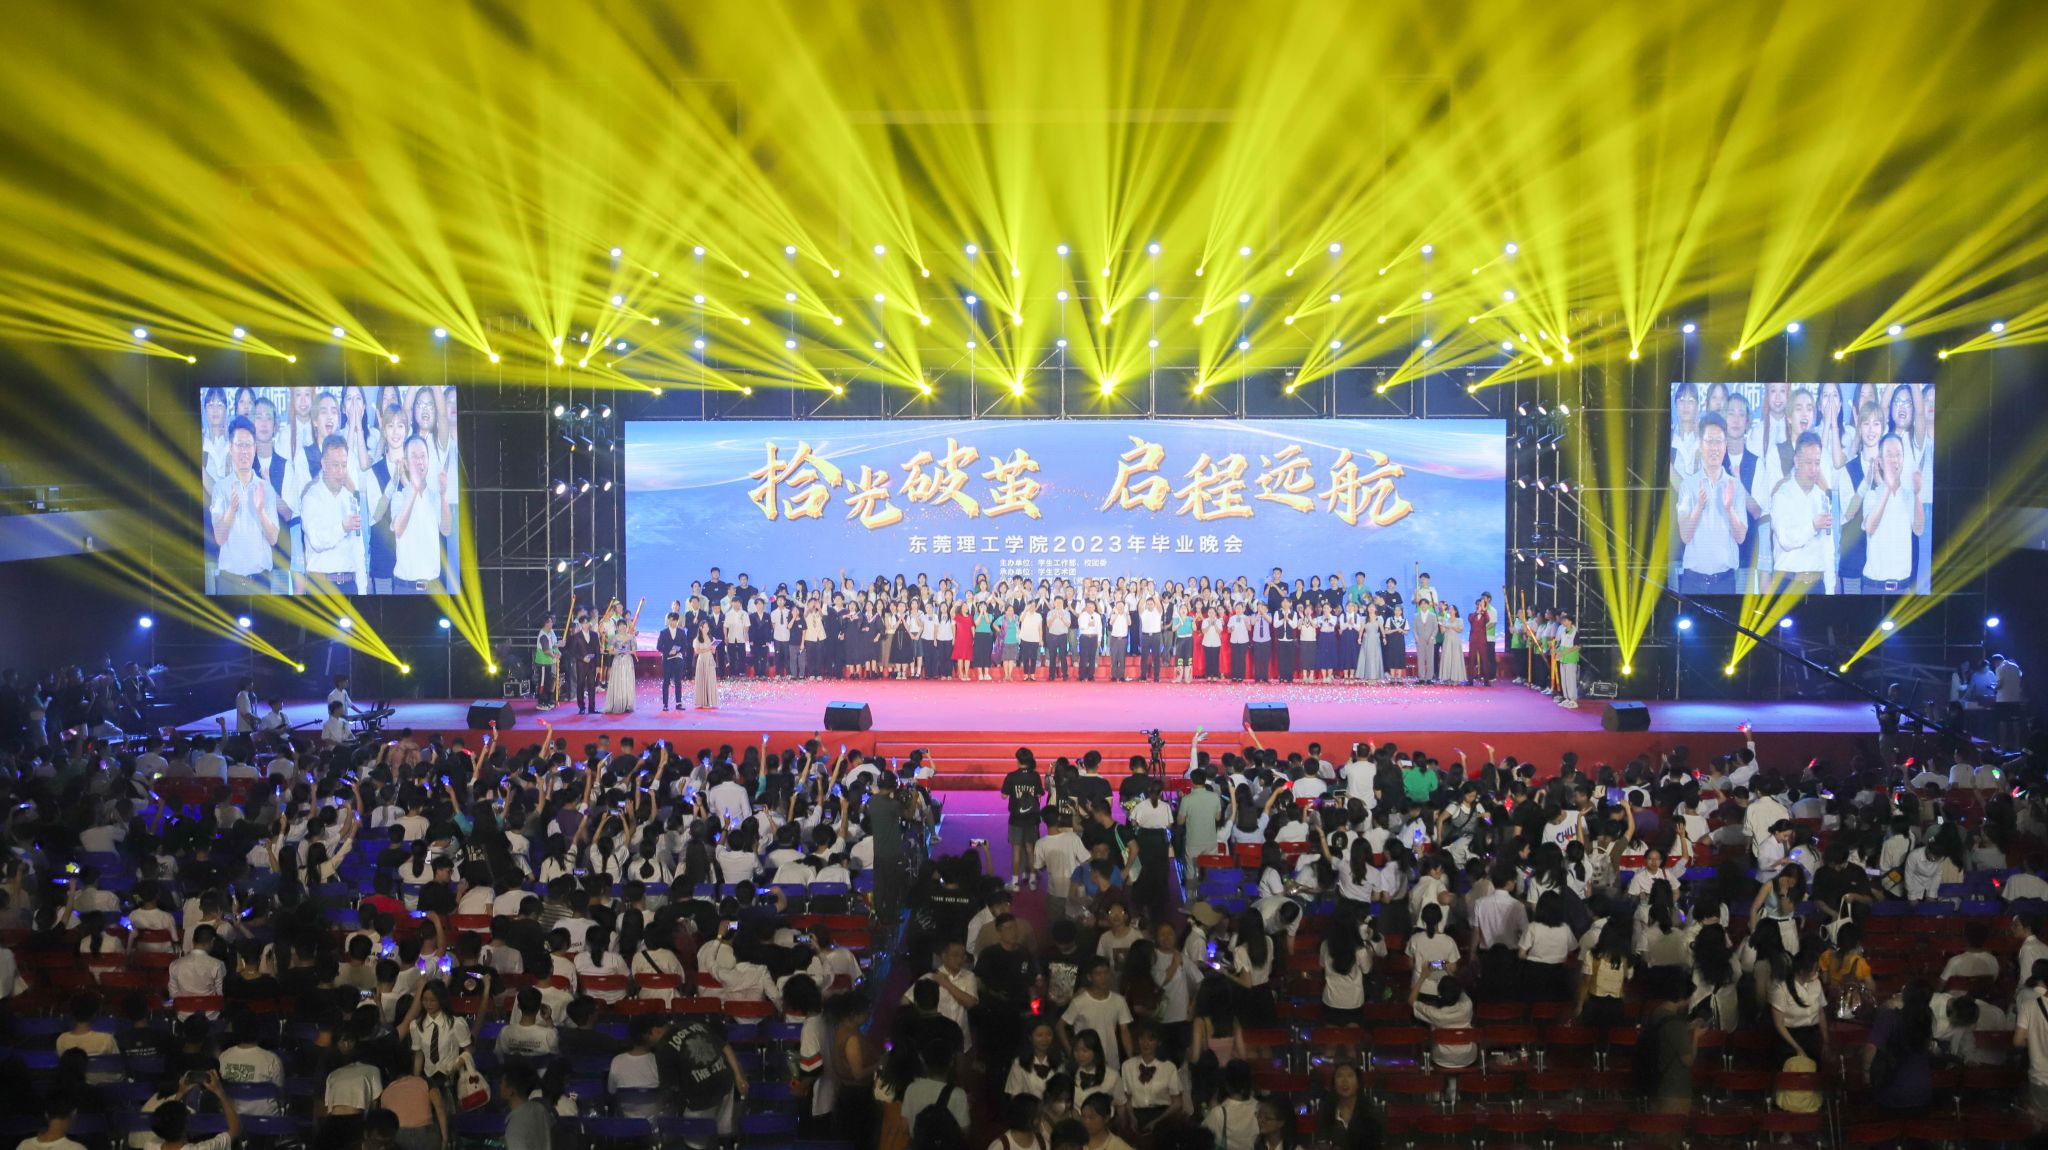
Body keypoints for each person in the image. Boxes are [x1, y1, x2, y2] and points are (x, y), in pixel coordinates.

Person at [211, 417, 282, 594]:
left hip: (260, 580)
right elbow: (219, 538)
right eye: (239, 445)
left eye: (248, 445)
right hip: (229, 582)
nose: (244, 451)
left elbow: (273, 539)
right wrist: (231, 510)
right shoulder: (220, 489)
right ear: (230, 447)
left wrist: (260, 511)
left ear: (255, 448)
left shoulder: (266, 489)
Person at [655, 612, 690, 711]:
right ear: (668, 620)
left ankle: (678, 703)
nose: (672, 622)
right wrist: (668, 651)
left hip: (678, 659)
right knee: (666, 681)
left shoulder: (681, 632)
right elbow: (658, 647)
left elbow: (685, 645)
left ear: (677, 621)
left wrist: (678, 651)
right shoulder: (663, 632)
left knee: (678, 681)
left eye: (674, 620)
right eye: (670, 620)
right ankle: (665, 704)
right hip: (667, 660)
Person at [534, 613, 563, 708]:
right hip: (542, 663)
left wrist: (558, 647)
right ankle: (541, 702)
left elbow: (552, 646)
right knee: (543, 683)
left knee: (548, 682)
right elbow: (546, 650)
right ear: (546, 624)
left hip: (548, 662)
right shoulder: (543, 635)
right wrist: (554, 655)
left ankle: (546, 700)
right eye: (550, 622)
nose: (552, 623)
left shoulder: (549, 633)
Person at [693, 623, 720, 710]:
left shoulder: (711, 638)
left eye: (707, 627)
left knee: (710, 679)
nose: (706, 628)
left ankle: (710, 701)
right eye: (704, 627)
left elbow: (713, 652)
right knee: (703, 679)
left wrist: (714, 647)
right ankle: (703, 701)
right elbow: (697, 651)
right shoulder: (697, 639)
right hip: (702, 660)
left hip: (710, 660)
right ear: (701, 628)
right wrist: (708, 649)